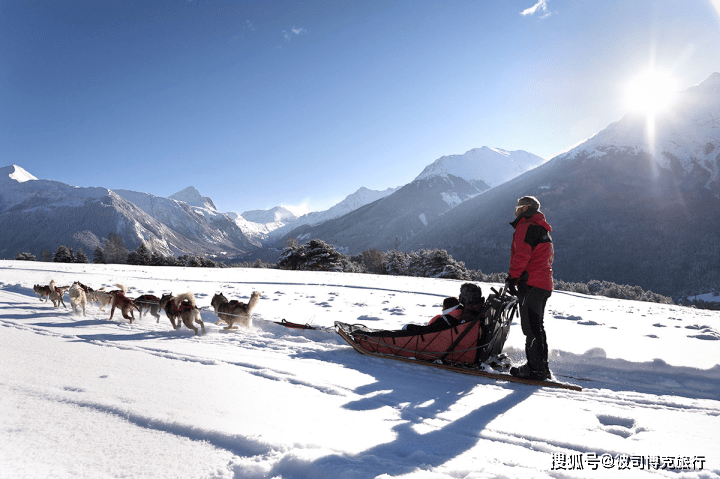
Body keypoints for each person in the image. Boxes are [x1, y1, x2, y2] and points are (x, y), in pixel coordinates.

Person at [505, 195, 554, 380]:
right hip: (544, 284)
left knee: (531, 329)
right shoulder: (541, 228)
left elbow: (521, 256)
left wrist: (512, 278)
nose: (516, 209)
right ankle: (542, 368)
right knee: (538, 327)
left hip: (531, 284)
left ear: (526, 209)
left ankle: (535, 370)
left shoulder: (525, 226)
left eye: (519, 206)